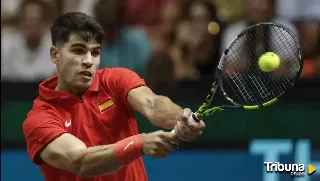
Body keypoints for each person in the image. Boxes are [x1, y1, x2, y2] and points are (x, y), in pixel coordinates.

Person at [22, 12, 205, 181]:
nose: (88, 61)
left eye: (95, 52)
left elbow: (153, 104)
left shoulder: (115, 80)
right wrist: (138, 144)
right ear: (55, 55)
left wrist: (179, 118)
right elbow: (79, 160)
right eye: (78, 50)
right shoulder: (40, 118)